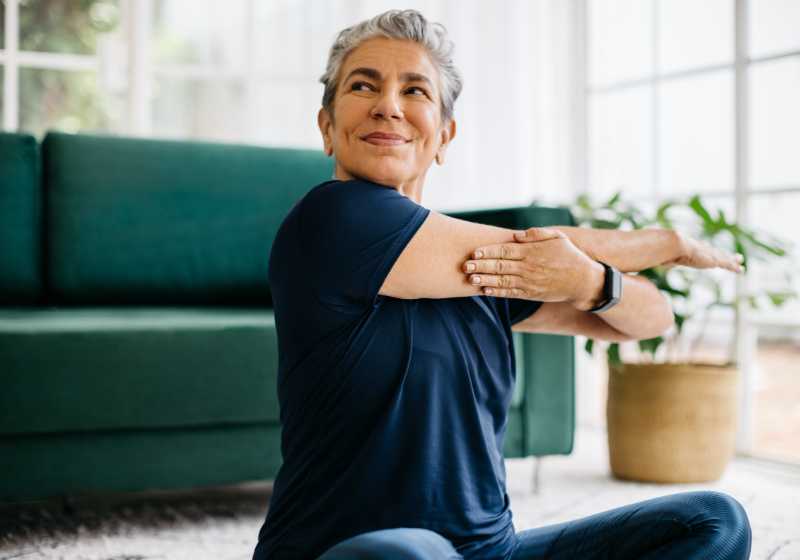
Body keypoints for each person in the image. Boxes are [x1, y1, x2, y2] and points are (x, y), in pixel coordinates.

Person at [252, 9, 752, 560]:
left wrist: (591, 282)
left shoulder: (486, 275)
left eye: (413, 89)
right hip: (352, 553)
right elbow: (521, 247)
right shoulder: (329, 220)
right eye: (363, 85)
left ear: (444, 136)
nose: (388, 105)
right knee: (414, 553)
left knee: (713, 523)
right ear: (327, 127)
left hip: (490, 551)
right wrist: (666, 244)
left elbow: (650, 319)